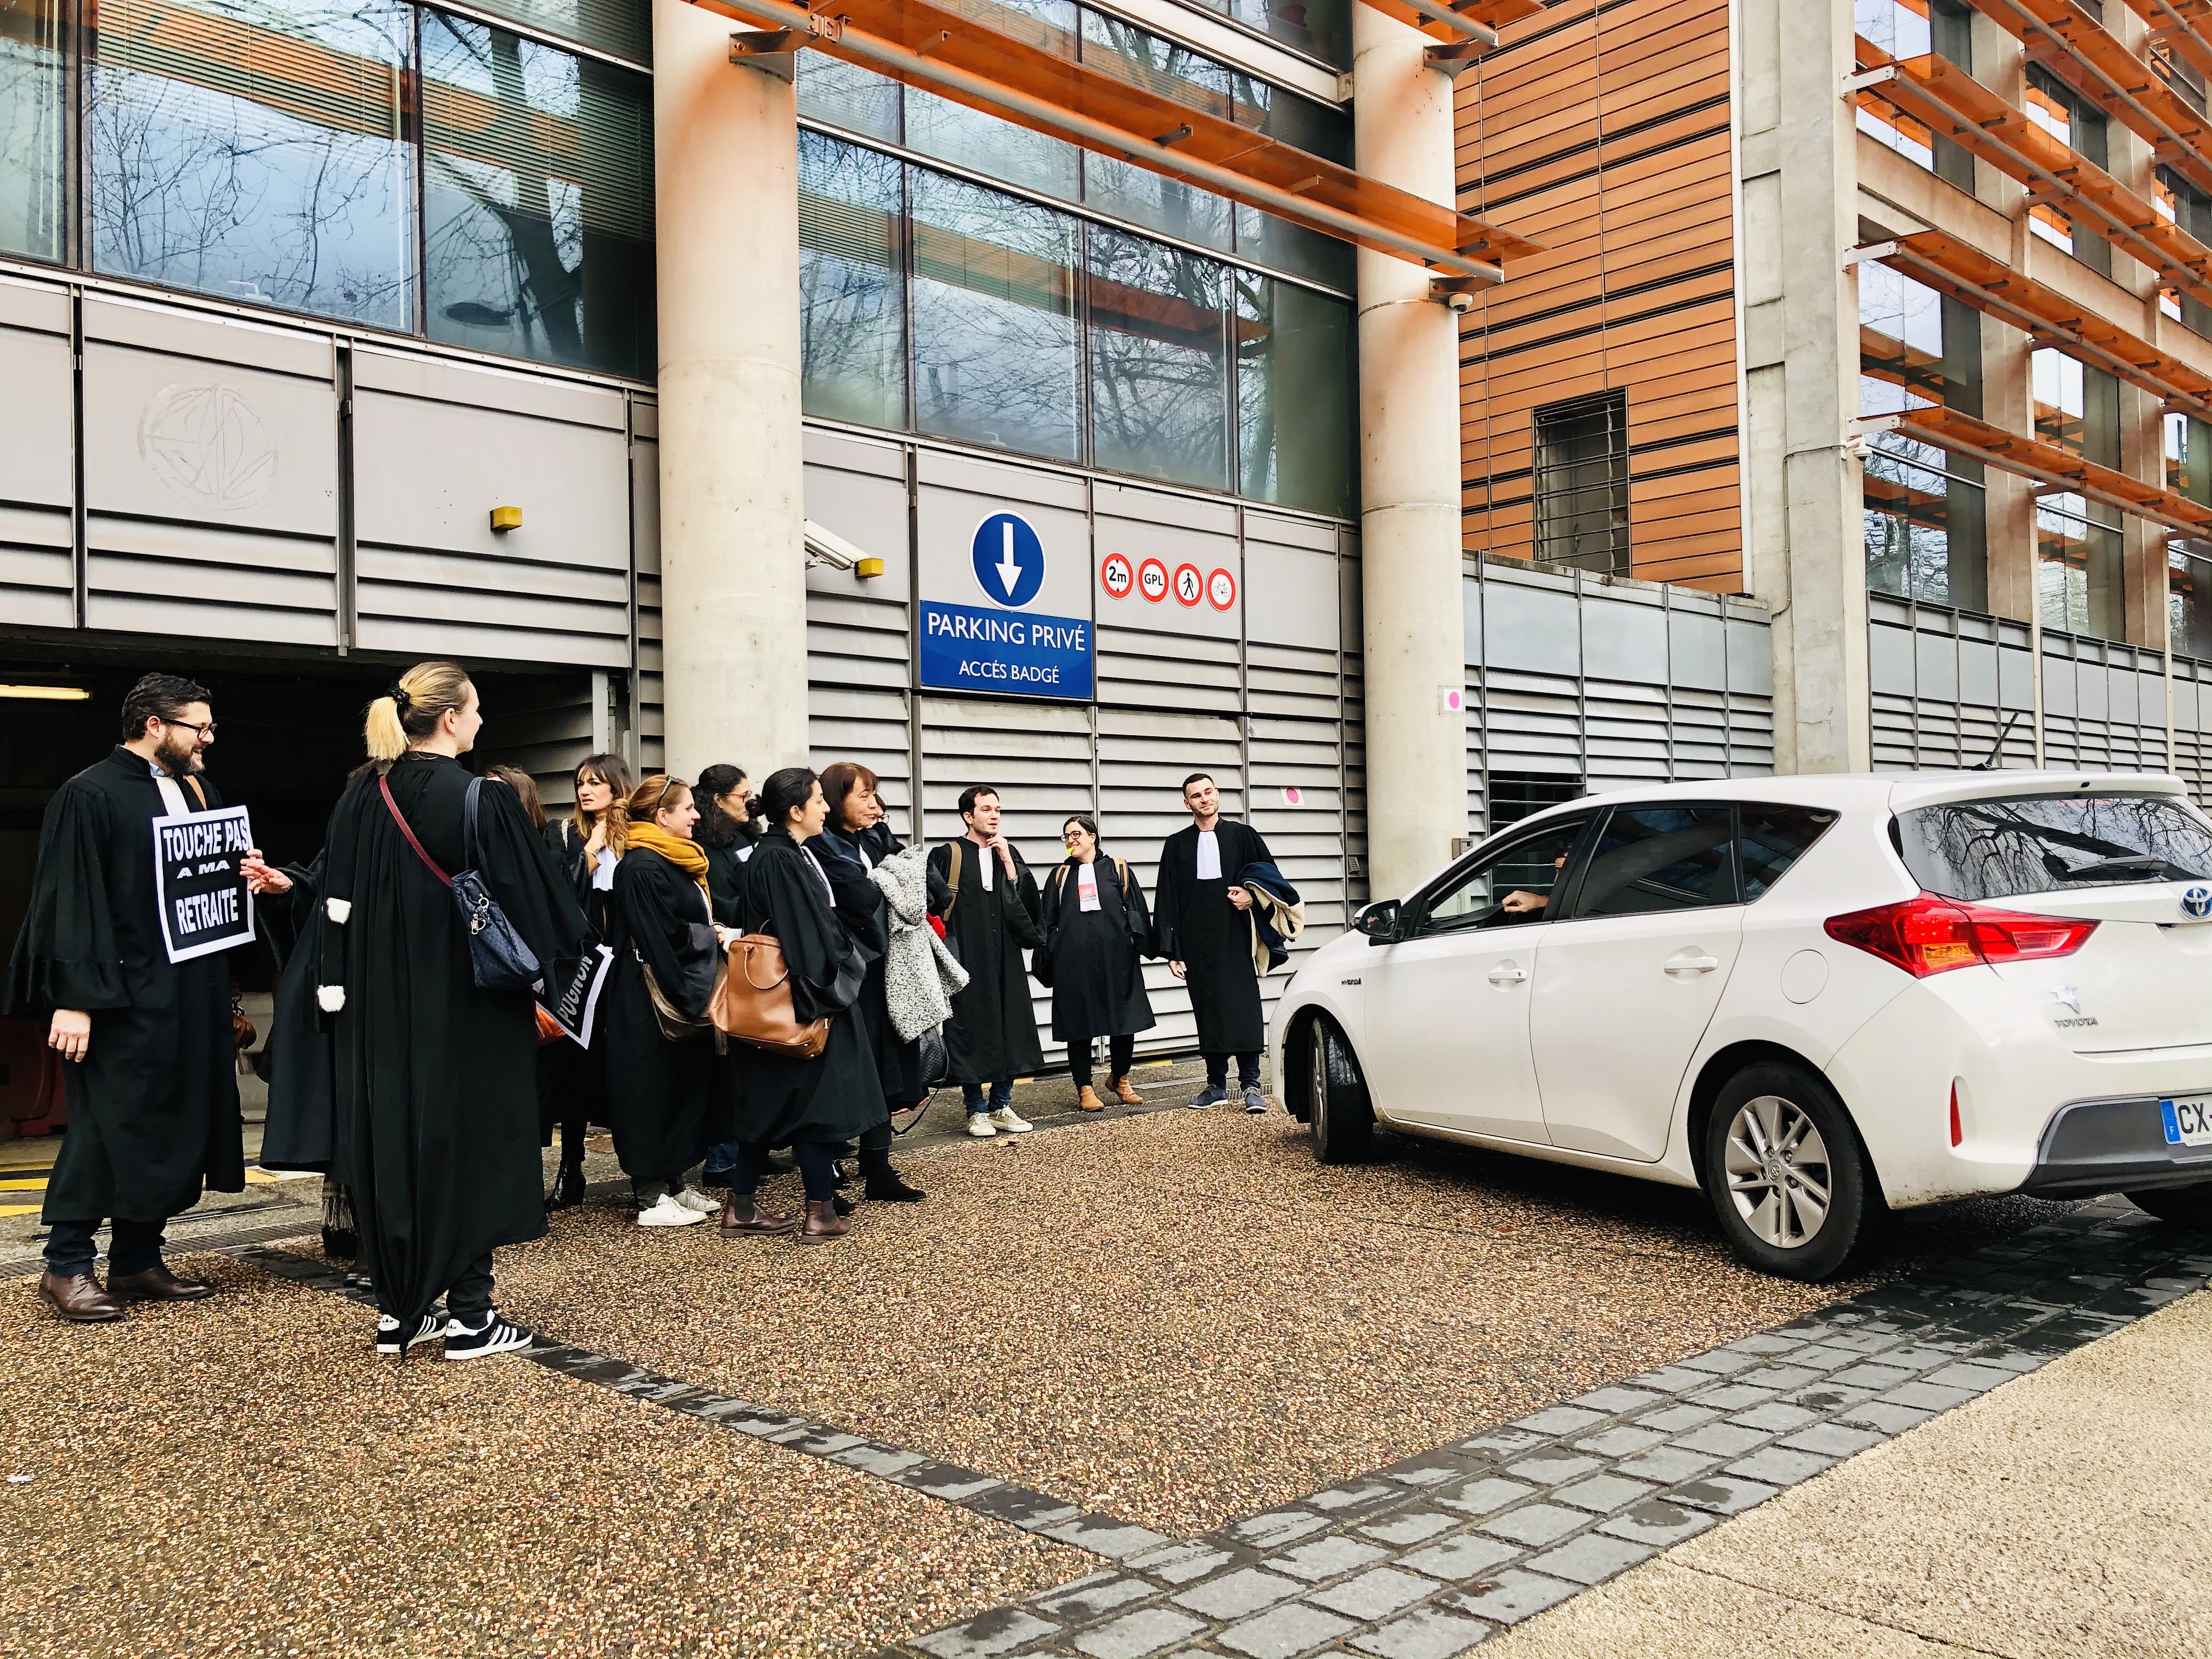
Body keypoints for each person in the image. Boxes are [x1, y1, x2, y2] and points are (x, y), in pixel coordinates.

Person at [256, 661, 591, 1359]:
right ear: (448, 719)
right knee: (465, 1146)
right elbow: (543, 912)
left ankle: (398, 1310)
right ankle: (472, 1316)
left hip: (374, 1011)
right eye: (473, 712)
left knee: (392, 1146)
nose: (477, 722)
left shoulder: (360, 794)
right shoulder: (480, 798)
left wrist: (290, 883)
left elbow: (331, 893)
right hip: (465, 1006)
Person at [5, 673, 246, 1322]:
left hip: (187, 992)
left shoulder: (198, 789)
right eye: (199, 726)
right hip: (118, 995)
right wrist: (74, 999)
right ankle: (67, 1265)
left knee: (174, 1117)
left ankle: (137, 1258)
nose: (209, 738)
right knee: (105, 1127)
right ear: (154, 726)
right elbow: (68, 899)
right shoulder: (88, 795)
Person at [720, 767, 883, 1245]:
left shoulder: (782, 854)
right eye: (818, 801)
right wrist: (829, 992)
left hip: (775, 1002)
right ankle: (819, 1213)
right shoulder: (782, 860)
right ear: (795, 812)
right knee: (816, 1104)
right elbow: (806, 936)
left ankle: (742, 1208)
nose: (826, 808)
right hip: (800, 1001)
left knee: (769, 1107)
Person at [599, 775, 727, 1228]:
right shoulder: (641, 866)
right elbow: (661, 937)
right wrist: (709, 939)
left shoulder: (673, 861)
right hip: (645, 996)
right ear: (662, 816)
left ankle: (673, 1184)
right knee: (648, 1089)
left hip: (670, 989)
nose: (696, 815)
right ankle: (650, 1194)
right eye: (689, 808)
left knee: (677, 1085)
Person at [815, 761, 927, 1202]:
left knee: (887, 1068)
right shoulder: (823, 845)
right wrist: (889, 878)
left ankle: (878, 1164)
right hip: (847, 970)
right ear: (834, 799)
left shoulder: (876, 837)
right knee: (848, 1068)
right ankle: (830, 1161)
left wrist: (888, 878)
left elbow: (924, 882)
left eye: (875, 794)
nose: (874, 805)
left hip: (888, 970)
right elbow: (860, 898)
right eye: (863, 795)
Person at [538, 752, 635, 1206]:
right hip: (584, 963)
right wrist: (592, 846)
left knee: (628, 1062)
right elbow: (562, 894)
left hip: (630, 959)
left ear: (618, 785)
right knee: (576, 1061)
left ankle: (647, 1169)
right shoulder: (565, 833)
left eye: (596, 782)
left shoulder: (639, 834)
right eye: (581, 782)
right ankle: (570, 1167)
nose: (585, 790)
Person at [1154, 772, 1277, 1113]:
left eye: (1209, 792)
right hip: (1195, 941)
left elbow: (1270, 878)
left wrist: (1252, 898)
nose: (1204, 799)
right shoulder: (1176, 844)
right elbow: (1167, 898)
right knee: (1207, 1010)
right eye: (1196, 795)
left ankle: (1252, 1084)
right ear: (1187, 803)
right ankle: (1216, 1084)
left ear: (1218, 795)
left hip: (1235, 935)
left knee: (1243, 1005)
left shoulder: (1243, 836)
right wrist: (1171, 951)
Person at [928, 786, 1045, 1138]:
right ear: (969, 816)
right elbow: (933, 907)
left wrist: (1009, 862)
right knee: (970, 1028)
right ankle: (976, 1110)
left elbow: (1027, 907)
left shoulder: (1006, 852)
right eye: (986, 810)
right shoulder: (947, 854)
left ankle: (1002, 1104)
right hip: (966, 955)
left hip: (1004, 955)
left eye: (998, 810)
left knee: (1009, 1024)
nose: (994, 816)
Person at [1037, 815, 1156, 1114]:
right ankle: (1085, 1088)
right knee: (1078, 1022)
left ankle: (1120, 1078)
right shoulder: (1059, 876)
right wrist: (1053, 950)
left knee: (1123, 1020)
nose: (1071, 840)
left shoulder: (1118, 869)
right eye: (1066, 836)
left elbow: (1138, 910)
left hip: (1117, 958)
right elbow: (1048, 919)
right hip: (1073, 961)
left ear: (1093, 836)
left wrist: (1135, 943)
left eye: (1077, 834)